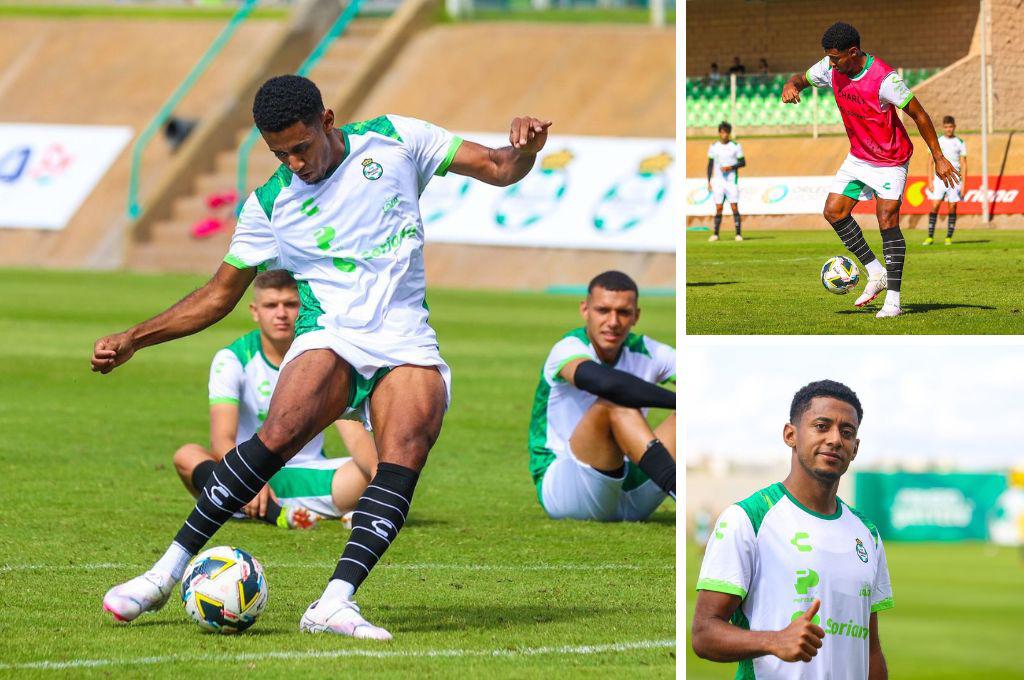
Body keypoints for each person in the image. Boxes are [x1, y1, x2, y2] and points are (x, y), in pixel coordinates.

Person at [94, 73, 552, 640]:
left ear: (327, 120)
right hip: (330, 331)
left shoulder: (395, 139)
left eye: (301, 147)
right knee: (279, 432)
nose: (294, 163)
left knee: (405, 449)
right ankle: (162, 574)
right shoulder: (270, 204)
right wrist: (136, 336)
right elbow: (218, 295)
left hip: (406, 335)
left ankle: (335, 602)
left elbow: (501, 167)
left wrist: (526, 150)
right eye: (279, 153)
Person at [692, 380, 892, 680]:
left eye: (847, 432)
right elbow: (704, 633)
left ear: (855, 449)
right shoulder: (748, 519)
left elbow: (871, 648)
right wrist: (773, 641)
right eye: (822, 426)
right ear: (791, 435)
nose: (835, 439)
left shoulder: (867, 533)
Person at [171, 269, 377, 530]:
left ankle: (240, 505)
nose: (281, 313)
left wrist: (381, 481)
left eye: (290, 304)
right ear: (255, 311)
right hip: (249, 473)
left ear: (303, 308)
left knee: (377, 465)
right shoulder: (233, 359)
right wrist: (247, 478)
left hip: (310, 475)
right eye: (271, 305)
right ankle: (271, 509)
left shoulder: (323, 359)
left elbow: (356, 435)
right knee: (187, 455)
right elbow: (222, 440)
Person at [782, 22, 958, 318]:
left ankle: (894, 300)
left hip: (891, 159)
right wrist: (792, 85)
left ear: (853, 52)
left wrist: (938, 156)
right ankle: (876, 273)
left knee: (886, 219)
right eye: (829, 58)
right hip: (859, 158)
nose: (832, 64)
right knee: (834, 211)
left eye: (836, 58)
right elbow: (800, 78)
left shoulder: (884, 79)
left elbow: (919, 114)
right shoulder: (830, 68)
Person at [528, 271, 676, 522]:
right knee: (614, 402)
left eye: (623, 312)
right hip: (568, 488)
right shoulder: (569, 348)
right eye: (603, 310)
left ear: (636, 316)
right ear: (585, 310)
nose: (613, 321)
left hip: (629, 493)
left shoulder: (648, 350)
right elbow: (605, 383)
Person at [924, 115, 967, 246]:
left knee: (952, 207)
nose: (948, 129)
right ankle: (930, 237)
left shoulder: (960, 142)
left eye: (951, 127)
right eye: (946, 127)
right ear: (944, 127)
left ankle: (949, 237)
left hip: (955, 179)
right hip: (939, 179)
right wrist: (930, 180)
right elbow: (930, 162)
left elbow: (964, 164)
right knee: (935, 206)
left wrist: (964, 184)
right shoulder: (937, 141)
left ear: (954, 127)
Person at [707, 122, 745, 241]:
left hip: (731, 181)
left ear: (729, 133)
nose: (724, 135)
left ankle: (738, 234)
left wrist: (731, 167)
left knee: (734, 207)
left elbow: (743, 162)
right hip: (718, 181)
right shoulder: (714, 146)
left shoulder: (736, 146)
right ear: (719, 133)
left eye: (726, 132)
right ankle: (716, 234)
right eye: (722, 132)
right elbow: (710, 164)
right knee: (718, 207)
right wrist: (708, 180)